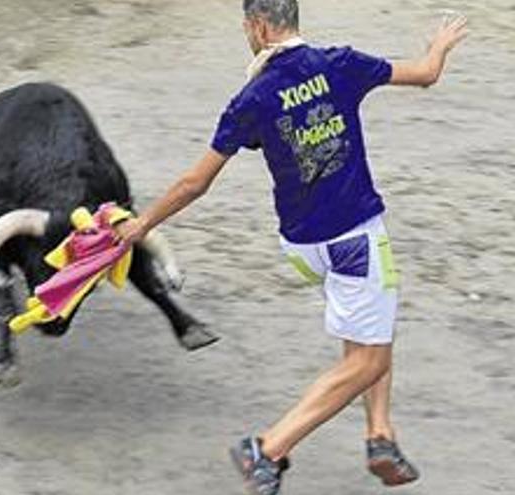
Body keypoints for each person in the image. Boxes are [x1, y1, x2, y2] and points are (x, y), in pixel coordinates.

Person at [113, 1, 468, 493]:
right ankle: (269, 448)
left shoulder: (252, 97)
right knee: (369, 357)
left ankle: (380, 436)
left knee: (367, 328)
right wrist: (439, 47)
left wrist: (142, 223)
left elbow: (196, 182)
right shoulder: (340, 63)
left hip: (303, 247)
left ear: (259, 26)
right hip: (355, 240)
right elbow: (426, 74)